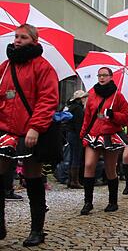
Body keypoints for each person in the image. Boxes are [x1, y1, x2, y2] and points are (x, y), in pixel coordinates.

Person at [0, 24, 59, 246]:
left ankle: (37, 229)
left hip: (31, 130)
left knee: (32, 176)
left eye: (23, 37)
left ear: (33, 40)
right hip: (5, 129)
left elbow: (48, 99)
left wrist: (35, 126)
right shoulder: (5, 67)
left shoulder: (43, 67)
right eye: (16, 36)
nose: (17, 40)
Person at [79, 67, 128, 215]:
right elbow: (87, 117)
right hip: (94, 134)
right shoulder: (92, 95)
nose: (101, 78)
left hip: (110, 134)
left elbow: (127, 118)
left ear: (111, 77)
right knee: (89, 165)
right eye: (99, 75)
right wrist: (83, 135)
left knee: (110, 169)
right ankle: (88, 202)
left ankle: (112, 201)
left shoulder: (118, 96)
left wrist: (113, 115)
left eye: (104, 75)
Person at [65, 90, 88, 189]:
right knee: (76, 157)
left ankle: (70, 180)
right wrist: (82, 135)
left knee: (72, 157)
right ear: (80, 99)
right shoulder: (78, 109)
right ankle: (75, 181)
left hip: (70, 134)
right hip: (76, 134)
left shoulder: (71, 108)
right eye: (84, 97)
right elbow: (79, 124)